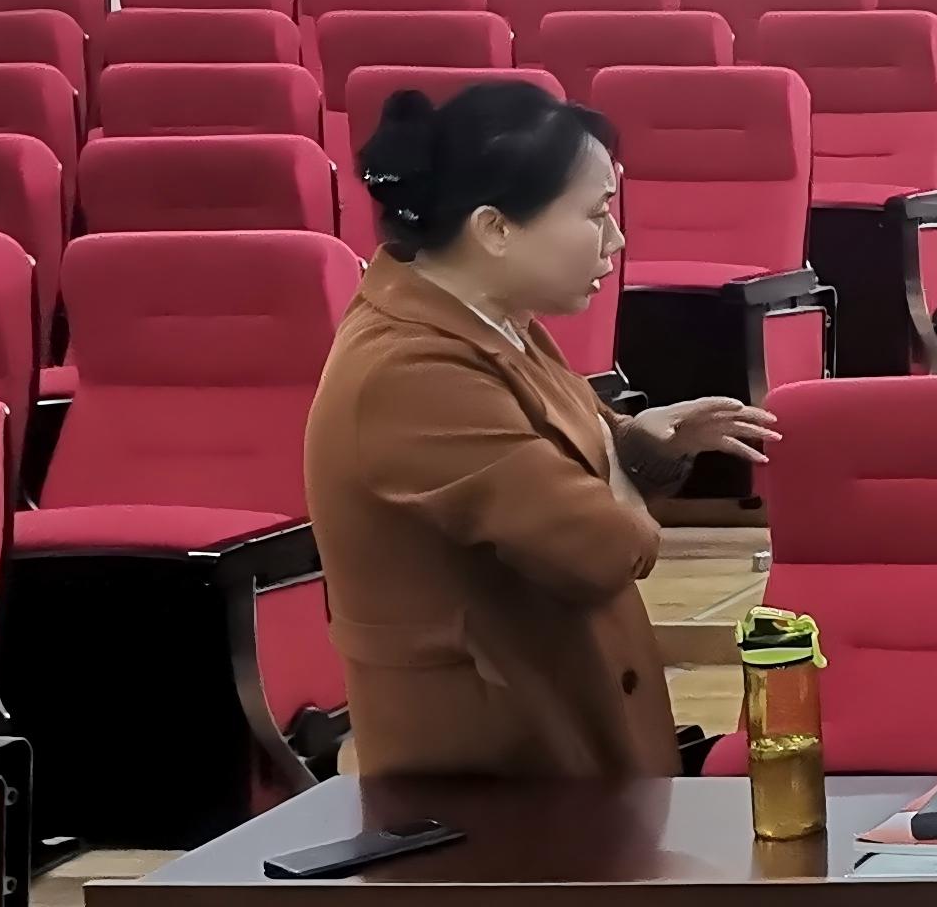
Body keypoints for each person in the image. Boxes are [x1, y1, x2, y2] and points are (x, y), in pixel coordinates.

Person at [304, 81, 775, 776]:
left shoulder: (490, 317)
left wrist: (638, 446)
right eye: (596, 213)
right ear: (495, 229)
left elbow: (576, 451)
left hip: (564, 745)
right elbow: (604, 548)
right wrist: (619, 473)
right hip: (496, 782)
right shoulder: (411, 373)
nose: (616, 240)